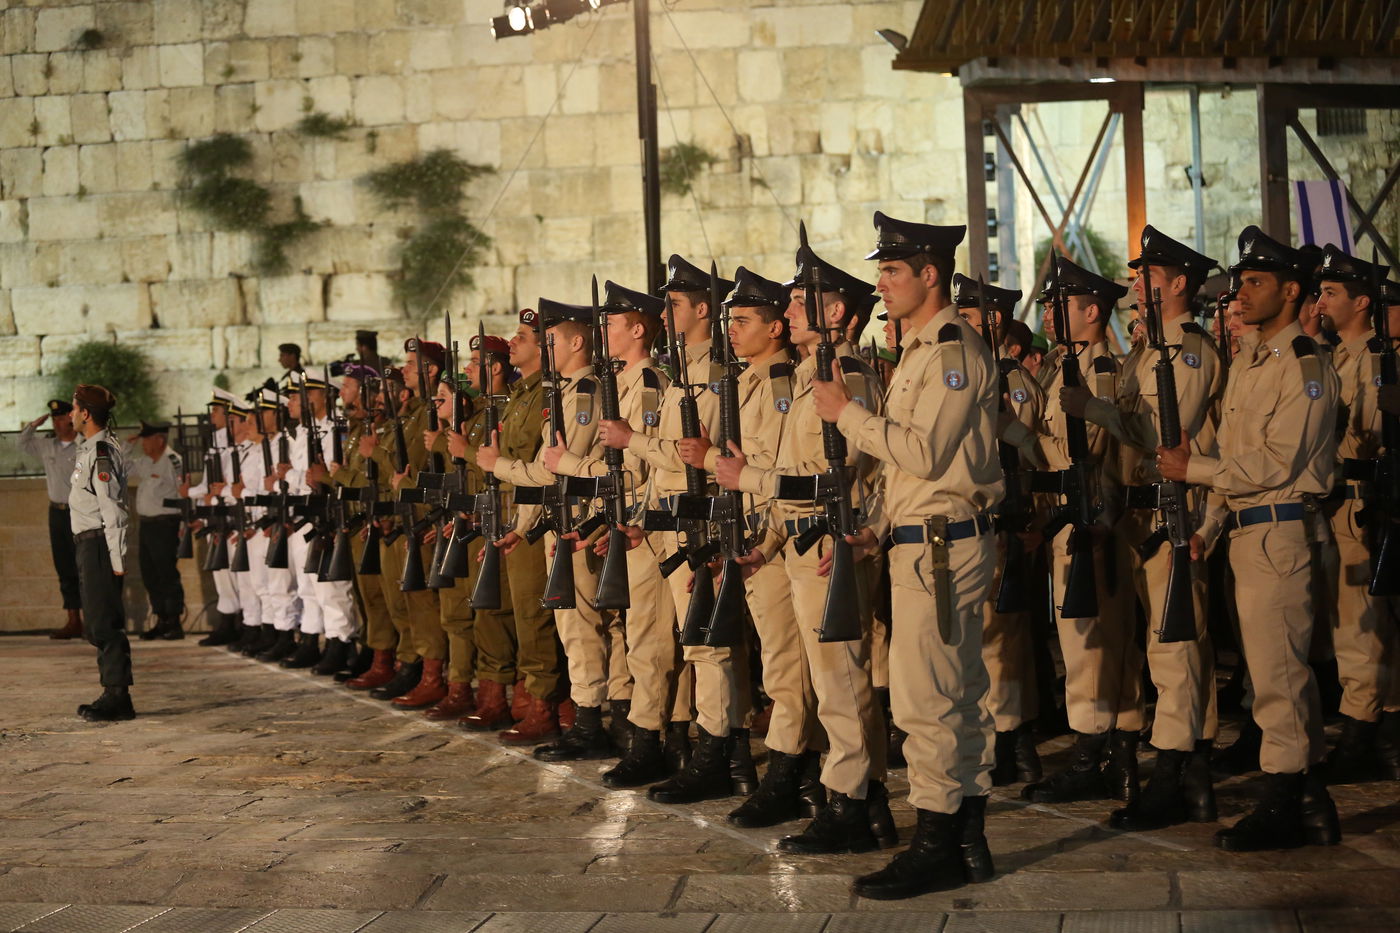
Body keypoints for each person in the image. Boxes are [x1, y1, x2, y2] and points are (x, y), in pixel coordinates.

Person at [816, 211, 1001, 899]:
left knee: (928, 702)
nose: (881, 283)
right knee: (956, 696)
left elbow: (923, 453)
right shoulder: (924, 350)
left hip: (944, 549)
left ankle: (936, 845)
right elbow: (911, 473)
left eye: (892, 270)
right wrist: (880, 523)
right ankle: (967, 839)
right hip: (924, 538)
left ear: (930, 274)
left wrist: (846, 413)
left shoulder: (952, 351)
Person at [1158, 225, 1342, 851]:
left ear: (1291, 292)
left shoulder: (1305, 365)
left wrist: (1193, 470)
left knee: (1279, 677)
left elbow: (1275, 463)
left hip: (1281, 532)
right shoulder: (1251, 361)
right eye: (1241, 281)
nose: (1241, 292)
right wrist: (1209, 525)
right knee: (1272, 673)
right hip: (1248, 532)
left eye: (1256, 281)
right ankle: (1309, 803)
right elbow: (1237, 456)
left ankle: (1286, 801)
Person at [1069, 226, 1223, 829]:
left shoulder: (1189, 351)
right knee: (1162, 646)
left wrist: (1094, 409)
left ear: (1179, 284)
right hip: (1139, 516)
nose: (1136, 284)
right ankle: (1189, 774)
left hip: (1175, 516)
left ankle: (1176, 773)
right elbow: (1125, 451)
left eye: (1148, 276)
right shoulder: (1147, 352)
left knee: (1176, 646)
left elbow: (1163, 433)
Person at [480, 298, 629, 761]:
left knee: (582, 626)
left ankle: (592, 722)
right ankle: (611, 718)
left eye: (551, 340)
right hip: (564, 521)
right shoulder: (565, 391)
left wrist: (497, 465)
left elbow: (555, 471)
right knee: (587, 625)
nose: (546, 348)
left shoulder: (583, 393)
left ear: (577, 342)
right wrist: (523, 527)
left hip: (579, 523)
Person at [1027, 256, 1144, 809]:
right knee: (1096, 643)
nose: (1050, 316)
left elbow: (1085, 454)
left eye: (1060, 306)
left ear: (1092, 312)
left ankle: (1091, 755)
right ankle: (1118, 759)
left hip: (1090, 519)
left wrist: (1022, 438)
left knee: (1089, 644)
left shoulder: (1097, 371)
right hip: (1072, 518)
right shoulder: (1060, 366)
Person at [1312, 244, 1394, 783]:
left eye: (1330, 292)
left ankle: (1362, 734)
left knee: (1359, 626)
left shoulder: (1376, 358)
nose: (1320, 301)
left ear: (1362, 302)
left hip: (1360, 502)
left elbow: (1368, 435)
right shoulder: (1336, 356)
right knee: (1347, 622)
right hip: (1337, 501)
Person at [69, 384, 134, 722]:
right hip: (87, 543)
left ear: (85, 413)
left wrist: (117, 561)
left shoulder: (102, 452)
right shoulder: (90, 449)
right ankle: (112, 690)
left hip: (98, 545)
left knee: (104, 623)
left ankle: (118, 696)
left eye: (73, 408)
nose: (70, 414)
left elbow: (113, 509)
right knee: (96, 623)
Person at [20, 399, 83, 639]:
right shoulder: (47, 445)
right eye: (54, 418)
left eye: (61, 418)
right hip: (56, 512)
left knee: (84, 566)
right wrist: (34, 425)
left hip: (79, 512)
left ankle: (92, 619)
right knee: (64, 565)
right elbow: (21, 443)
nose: (57, 423)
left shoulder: (84, 445)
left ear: (71, 417)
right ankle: (73, 619)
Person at [126, 421, 187, 641]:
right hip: (148, 525)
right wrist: (127, 446)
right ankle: (161, 619)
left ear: (160, 440)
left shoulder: (173, 462)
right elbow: (119, 467)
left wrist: (183, 526)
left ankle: (174, 621)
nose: (143, 443)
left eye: (146, 439)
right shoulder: (145, 462)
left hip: (166, 524)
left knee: (166, 573)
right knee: (150, 574)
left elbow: (183, 495)